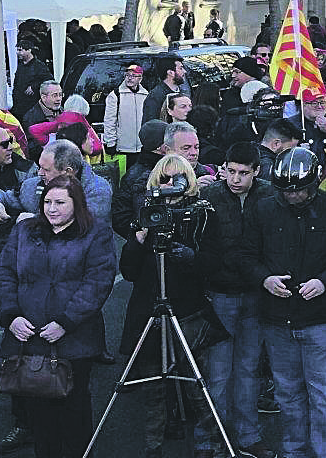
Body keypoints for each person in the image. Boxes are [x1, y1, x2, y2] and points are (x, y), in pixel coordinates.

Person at [0, 174, 117, 458]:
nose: (52, 208)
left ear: (77, 204)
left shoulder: (96, 233)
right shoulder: (24, 231)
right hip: (29, 337)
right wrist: (10, 316)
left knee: (74, 410)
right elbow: (2, 274)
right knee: (38, 414)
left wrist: (66, 322)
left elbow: (97, 283)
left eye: (60, 202)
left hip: (75, 340)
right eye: (47, 202)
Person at [244, 147, 326, 458]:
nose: (293, 196)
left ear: (314, 183)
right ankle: (294, 452)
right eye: (287, 191)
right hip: (278, 319)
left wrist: (325, 283)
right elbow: (246, 256)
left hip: (324, 319)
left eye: (300, 190)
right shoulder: (263, 210)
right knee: (288, 393)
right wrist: (265, 279)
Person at [119, 155, 222, 458]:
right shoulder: (146, 213)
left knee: (196, 383)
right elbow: (128, 271)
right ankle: (153, 448)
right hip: (150, 306)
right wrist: (137, 240)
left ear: (189, 180)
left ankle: (214, 444)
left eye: (177, 177)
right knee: (153, 387)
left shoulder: (202, 214)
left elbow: (214, 263)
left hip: (187, 308)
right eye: (164, 178)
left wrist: (190, 255)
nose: (170, 185)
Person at [197, 143, 275, 458]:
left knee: (247, 370)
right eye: (230, 171)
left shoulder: (268, 195)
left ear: (257, 171)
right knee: (217, 373)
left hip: (254, 293)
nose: (235, 179)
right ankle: (209, 439)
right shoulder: (211, 196)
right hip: (220, 292)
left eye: (243, 173)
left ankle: (246, 436)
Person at [102, 64, 150, 157]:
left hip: (142, 148)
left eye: (133, 76)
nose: (129, 78)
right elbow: (110, 121)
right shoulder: (116, 95)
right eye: (127, 75)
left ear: (140, 79)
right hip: (122, 148)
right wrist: (111, 144)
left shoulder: (145, 95)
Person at [143, 55, 190, 122]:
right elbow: (150, 125)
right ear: (170, 72)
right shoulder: (156, 95)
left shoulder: (183, 93)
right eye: (181, 68)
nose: (184, 71)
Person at [11, 42, 53, 116]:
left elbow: (49, 79)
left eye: (20, 50)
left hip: (32, 105)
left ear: (29, 50)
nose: (18, 53)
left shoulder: (39, 66)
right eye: (17, 50)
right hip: (19, 106)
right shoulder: (21, 66)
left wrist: (34, 87)